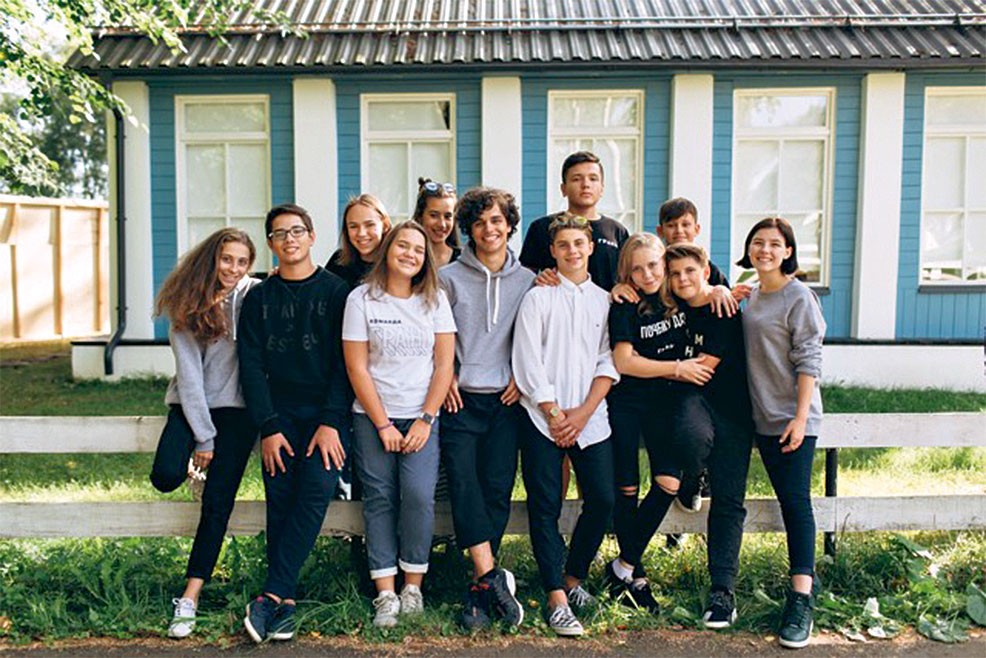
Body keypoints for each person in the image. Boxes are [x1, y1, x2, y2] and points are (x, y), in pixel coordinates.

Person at [237, 203, 351, 643]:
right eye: (280, 233)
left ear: (312, 236)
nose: (290, 239)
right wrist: (268, 426)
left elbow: (346, 363)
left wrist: (331, 421)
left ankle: (272, 594)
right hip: (279, 417)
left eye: (297, 231)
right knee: (280, 500)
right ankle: (282, 605)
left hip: (326, 417)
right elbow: (250, 366)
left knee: (316, 491)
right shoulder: (259, 298)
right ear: (270, 243)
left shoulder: (336, 292)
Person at [342, 221, 456, 627]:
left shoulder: (434, 300)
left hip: (421, 416)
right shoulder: (361, 299)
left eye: (419, 250)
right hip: (373, 417)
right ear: (388, 249)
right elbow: (357, 368)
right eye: (403, 246)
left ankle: (412, 588)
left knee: (419, 496)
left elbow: (444, 365)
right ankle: (386, 593)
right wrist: (383, 424)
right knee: (380, 499)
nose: (410, 254)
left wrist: (425, 419)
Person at [512, 214, 618, 637]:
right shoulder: (538, 298)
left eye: (578, 243)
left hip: (590, 417)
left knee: (603, 499)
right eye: (563, 245)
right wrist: (554, 412)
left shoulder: (604, 301)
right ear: (552, 251)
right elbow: (527, 358)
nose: (572, 251)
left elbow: (608, 358)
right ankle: (555, 597)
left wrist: (584, 412)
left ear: (590, 246)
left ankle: (573, 578)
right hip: (542, 418)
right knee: (545, 505)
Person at [151, 228, 259, 639]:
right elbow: (190, 377)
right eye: (227, 259)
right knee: (165, 476)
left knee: (217, 505)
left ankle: (190, 597)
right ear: (212, 258)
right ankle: (195, 473)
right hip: (191, 406)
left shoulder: (254, 296)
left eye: (242, 261)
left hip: (238, 412)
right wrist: (204, 438)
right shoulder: (189, 302)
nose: (233, 268)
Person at [604, 233, 715, 614]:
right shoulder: (625, 304)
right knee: (627, 489)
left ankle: (621, 566)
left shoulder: (678, 297)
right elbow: (624, 362)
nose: (647, 274)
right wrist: (677, 368)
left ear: (664, 263)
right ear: (627, 273)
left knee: (669, 482)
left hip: (665, 404)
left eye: (653, 265)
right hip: (627, 404)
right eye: (637, 269)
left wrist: (720, 290)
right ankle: (636, 579)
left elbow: (706, 282)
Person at [438, 187, 533, 630]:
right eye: (478, 223)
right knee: (463, 482)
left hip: (507, 399)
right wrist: (446, 377)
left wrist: (522, 375)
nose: (488, 229)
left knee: (497, 486)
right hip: (460, 397)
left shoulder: (529, 280)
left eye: (496, 220)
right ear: (468, 230)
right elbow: (435, 335)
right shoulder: (447, 278)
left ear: (509, 225)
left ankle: (481, 587)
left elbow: (535, 338)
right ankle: (490, 578)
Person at [737, 217, 826, 649]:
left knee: (795, 503)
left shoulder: (799, 296)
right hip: (757, 416)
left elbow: (810, 359)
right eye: (758, 242)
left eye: (774, 244)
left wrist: (800, 418)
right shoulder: (750, 295)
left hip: (792, 419)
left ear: (788, 251)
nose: (765, 250)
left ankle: (801, 599)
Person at [663, 243, 754, 631]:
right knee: (692, 440)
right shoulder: (670, 310)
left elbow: (703, 367)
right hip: (692, 404)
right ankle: (694, 474)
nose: (682, 279)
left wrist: (659, 368)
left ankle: (722, 591)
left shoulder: (723, 307)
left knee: (729, 502)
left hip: (734, 412)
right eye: (675, 274)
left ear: (705, 272)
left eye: (689, 271)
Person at [519, 151, 629, 292]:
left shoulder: (616, 231)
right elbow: (524, 277)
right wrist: (538, 278)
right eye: (577, 179)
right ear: (563, 189)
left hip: (606, 305)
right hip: (556, 304)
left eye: (593, 179)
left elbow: (629, 277)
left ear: (602, 188)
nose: (586, 185)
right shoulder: (542, 228)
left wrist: (622, 286)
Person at [326, 194, 392, 289]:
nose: (361, 233)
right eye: (353, 226)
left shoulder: (395, 265)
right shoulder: (338, 262)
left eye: (369, 225)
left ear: (385, 226)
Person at [412, 177, 460, 267]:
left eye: (447, 216)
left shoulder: (464, 260)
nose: (442, 224)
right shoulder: (409, 259)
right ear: (420, 216)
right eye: (434, 215)